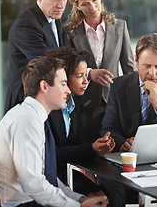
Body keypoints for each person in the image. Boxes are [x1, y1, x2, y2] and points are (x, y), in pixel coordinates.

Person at [0, 56, 107, 207]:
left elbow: (47, 177)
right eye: (63, 84)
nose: (68, 90)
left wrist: (79, 199)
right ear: (44, 86)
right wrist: (78, 206)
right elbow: (34, 184)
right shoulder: (26, 120)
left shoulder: (33, 117)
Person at [64, 0, 136, 143]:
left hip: (115, 103)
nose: (92, 7)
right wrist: (89, 73)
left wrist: (133, 105)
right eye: (85, 4)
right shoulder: (69, 33)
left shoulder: (120, 27)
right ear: (77, 6)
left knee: (115, 152)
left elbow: (129, 69)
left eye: (95, 0)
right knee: (88, 156)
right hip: (84, 106)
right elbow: (67, 70)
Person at [100, 32, 157, 152]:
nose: (152, 73)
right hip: (128, 157)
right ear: (136, 61)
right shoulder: (119, 86)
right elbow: (108, 128)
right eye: (147, 66)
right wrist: (123, 144)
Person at [46, 47, 114, 199]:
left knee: (106, 194)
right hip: (49, 176)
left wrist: (99, 147)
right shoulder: (49, 109)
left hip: (66, 173)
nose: (85, 81)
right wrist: (91, 148)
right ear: (63, 77)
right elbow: (51, 154)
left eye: (85, 76)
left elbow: (77, 145)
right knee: (98, 197)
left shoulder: (73, 104)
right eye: (79, 76)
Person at [4, 0, 68, 113]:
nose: (61, 5)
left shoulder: (54, 17)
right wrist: (86, 73)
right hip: (26, 104)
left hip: (45, 102)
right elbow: (49, 63)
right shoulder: (26, 25)